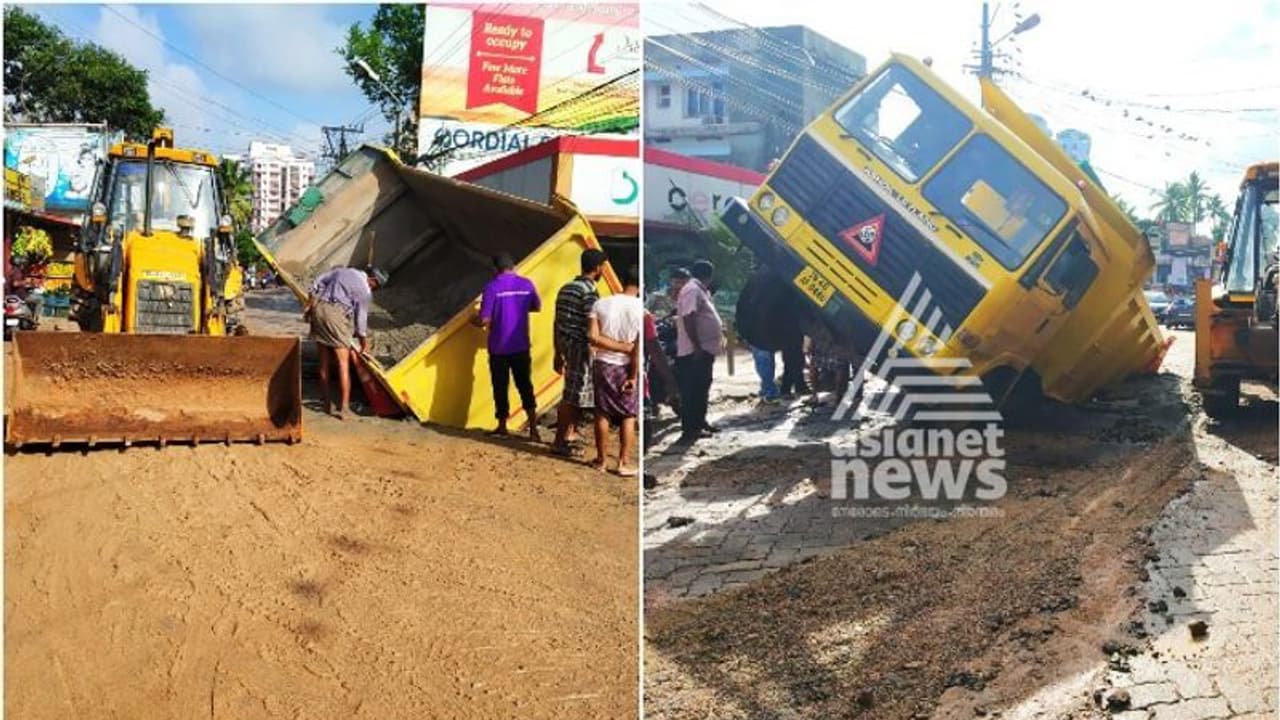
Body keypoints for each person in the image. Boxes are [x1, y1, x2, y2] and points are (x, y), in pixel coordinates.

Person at [302, 265, 386, 420]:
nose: (374, 290)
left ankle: (327, 404)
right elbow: (361, 321)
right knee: (343, 363)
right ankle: (345, 409)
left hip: (319, 310)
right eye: (376, 287)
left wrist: (310, 303)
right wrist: (364, 344)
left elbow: (317, 282)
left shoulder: (343, 271)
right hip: (336, 315)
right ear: (372, 280)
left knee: (323, 362)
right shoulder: (365, 291)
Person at [473, 253, 541, 441]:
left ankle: (502, 426)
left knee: (500, 387)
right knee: (525, 385)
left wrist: (473, 320)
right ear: (513, 266)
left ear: (495, 269)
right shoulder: (526, 284)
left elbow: (484, 319)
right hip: (521, 345)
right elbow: (537, 306)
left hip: (499, 348)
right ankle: (534, 428)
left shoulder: (492, 287)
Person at [551, 247, 608, 456]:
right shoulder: (589, 293)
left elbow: (556, 323)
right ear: (598, 268)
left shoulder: (566, 288)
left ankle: (569, 435)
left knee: (575, 392)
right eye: (603, 267)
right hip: (580, 347)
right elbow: (592, 324)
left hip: (566, 345)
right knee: (573, 395)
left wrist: (557, 352)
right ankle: (559, 442)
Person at [587, 265, 642, 475]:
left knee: (602, 412)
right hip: (627, 365)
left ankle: (601, 460)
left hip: (602, 363)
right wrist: (633, 376)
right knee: (628, 414)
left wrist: (609, 344)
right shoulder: (640, 309)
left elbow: (593, 337)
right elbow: (637, 349)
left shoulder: (600, 303)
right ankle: (623, 463)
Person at [675, 259, 724, 443]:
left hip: (704, 350)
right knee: (692, 391)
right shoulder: (692, 290)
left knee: (702, 387)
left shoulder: (701, 290)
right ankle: (690, 429)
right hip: (694, 351)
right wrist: (696, 346)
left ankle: (700, 422)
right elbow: (689, 318)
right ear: (709, 276)